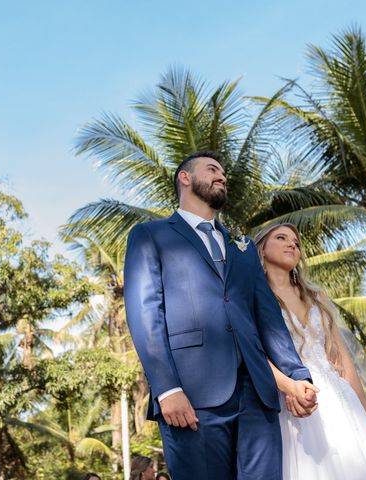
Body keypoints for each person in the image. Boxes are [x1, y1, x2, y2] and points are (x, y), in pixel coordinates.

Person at [124, 151, 319, 479]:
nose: (222, 176)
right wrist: (167, 389)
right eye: (212, 169)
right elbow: (146, 313)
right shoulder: (151, 235)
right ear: (184, 178)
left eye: (224, 173)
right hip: (191, 395)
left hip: (257, 394)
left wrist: (298, 376)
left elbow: (268, 319)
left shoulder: (242, 249)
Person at [254, 223, 366, 479]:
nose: (292, 244)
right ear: (262, 249)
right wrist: (288, 386)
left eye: (296, 242)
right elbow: (255, 353)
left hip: (340, 400)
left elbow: (342, 359)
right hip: (295, 401)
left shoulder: (316, 296)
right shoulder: (254, 296)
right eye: (281, 238)